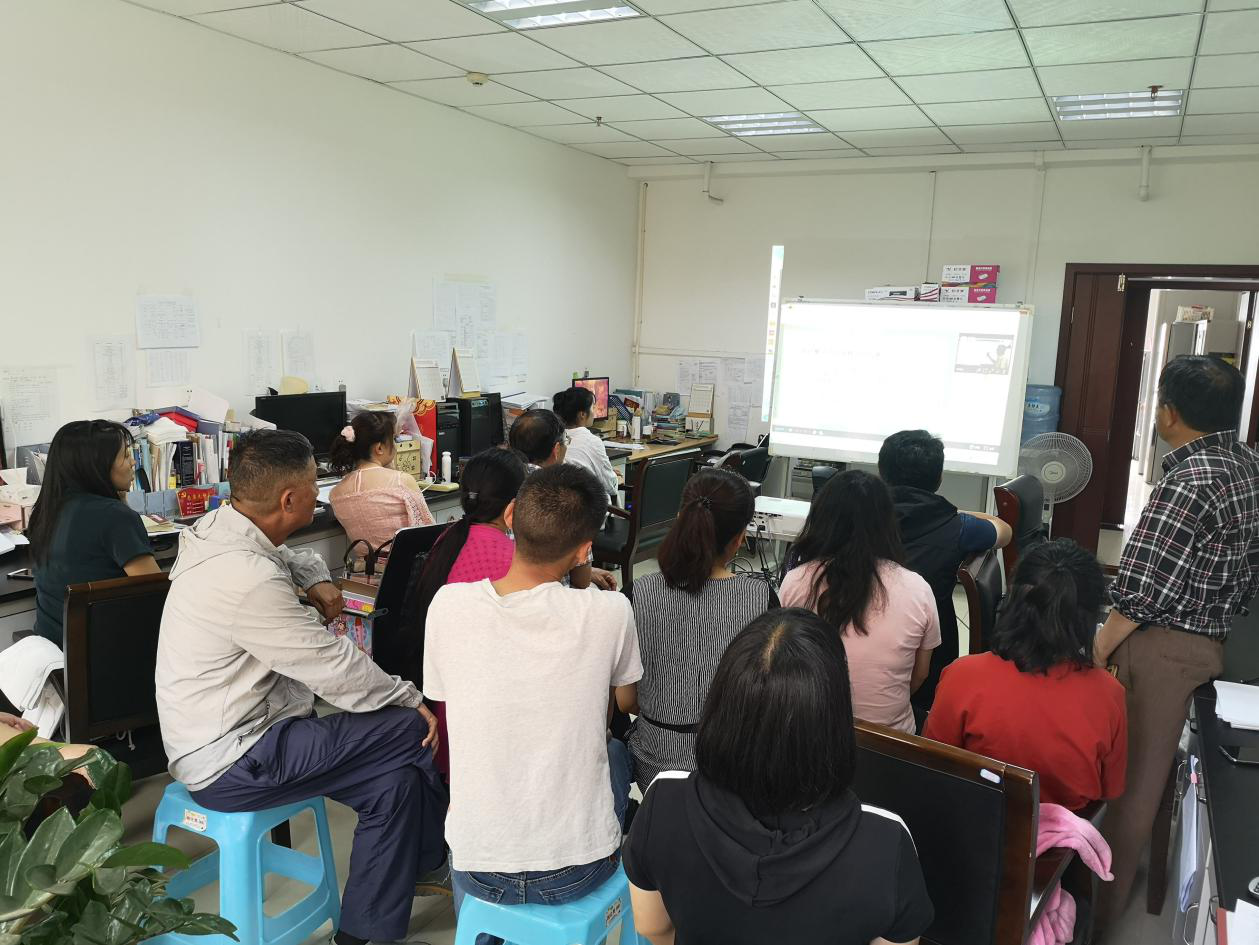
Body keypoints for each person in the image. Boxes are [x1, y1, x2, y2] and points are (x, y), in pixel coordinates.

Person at [156, 430, 446, 945]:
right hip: (233, 757)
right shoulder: (247, 580)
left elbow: (286, 557)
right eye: (316, 484)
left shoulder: (218, 529)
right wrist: (409, 696)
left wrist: (315, 576)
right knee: (411, 728)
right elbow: (330, 665)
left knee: (396, 784)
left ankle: (362, 935)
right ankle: (437, 858)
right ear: (290, 499)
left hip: (247, 732)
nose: (321, 492)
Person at [624, 608, 934, 945]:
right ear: (833, 715)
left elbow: (652, 926)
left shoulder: (663, 801)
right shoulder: (884, 842)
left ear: (722, 702)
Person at [424, 464, 641, 940]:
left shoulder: (448, 605)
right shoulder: (610, 612)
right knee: (614, 752)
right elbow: (624, 704)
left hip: (477, 863)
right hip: (578, 868)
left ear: (510, 516)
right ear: (585, 549)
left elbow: (443, 696)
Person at [1094, 355, 1259, 927]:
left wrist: (1100, 648)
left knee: (1132, 785)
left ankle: (1099, 911)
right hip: (1213, 637)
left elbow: (1141, 591)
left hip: (1164, 646)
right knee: (1149, 775)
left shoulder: (1189, 481)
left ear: (1168, 412)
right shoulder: (1245, 462)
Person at [924, 539, 1127, 812]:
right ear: (1089, 618)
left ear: (1012, 603)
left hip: (975, 828)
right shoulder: (1110, 695)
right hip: (1067, 836)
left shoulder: (961, 677)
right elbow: (1110, 789)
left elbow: (933, 768)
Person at [629, 468, 777, 790]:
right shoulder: (761, 599)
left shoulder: (638, 593)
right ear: (739, 539)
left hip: (653, 764)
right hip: (728, 765)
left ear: (680, 519)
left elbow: (627, 701)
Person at [779, 469, 939, 734]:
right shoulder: (917, 588)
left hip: (810, 735)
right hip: (890, 742)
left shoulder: (796, 581)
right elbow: (920, 674)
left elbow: (781, 667)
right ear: (887, 522)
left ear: (821, 518)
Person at [405, 447, 527, 776]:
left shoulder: (449, 539)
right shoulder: (510, 558)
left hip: (444, 704)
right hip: (486, 720)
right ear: (515, 506)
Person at [877, 430, 1012, 713]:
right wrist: (958, 513)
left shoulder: (859, 516)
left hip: (859, 640)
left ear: (882, 471)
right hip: (931, 658)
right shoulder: (957, 526)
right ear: (939, 478)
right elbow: (1004, 531)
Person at [27, 420, 161, 645]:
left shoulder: (46, 510)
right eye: (125, 456)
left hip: (52, 650)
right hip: (104, 654)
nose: (133, 462)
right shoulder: (115, 517)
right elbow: (155, 592)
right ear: (98, 465)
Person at [508, 408, 616, 590]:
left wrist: (591, 572)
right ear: (556, 450)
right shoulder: (567, 493)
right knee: (614, 595)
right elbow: (581, 581)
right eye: (566, 442)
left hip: (507, 591)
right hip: (554, 596)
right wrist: (588, 572)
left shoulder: (499, 482)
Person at [328, 410, 433, 570]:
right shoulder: (401, 481)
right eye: (394, 439)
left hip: (364, 574)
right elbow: (428, 534)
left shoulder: (336, 493)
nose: (396, 446)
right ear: (379, 448)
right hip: (403, 572)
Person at [552, 386, 620, 496]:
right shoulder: (592, 442)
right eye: (593, 407)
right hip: (590, 504)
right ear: (582, 414)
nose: (594, 412)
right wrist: (613, 476)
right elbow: (610, 486)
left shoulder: (553, 438)